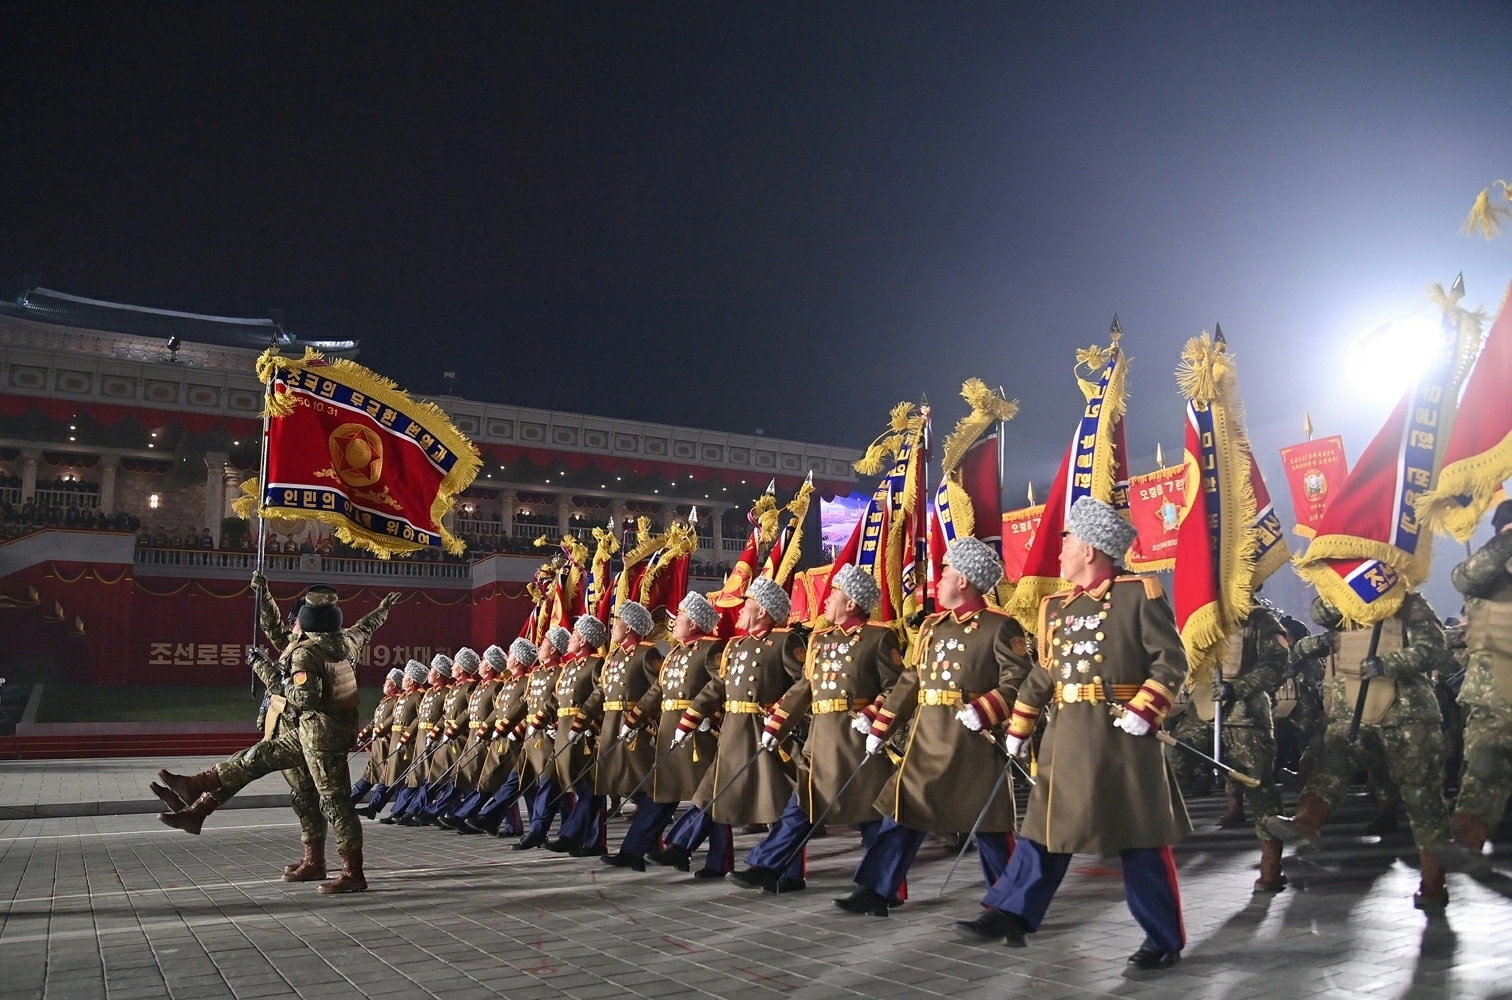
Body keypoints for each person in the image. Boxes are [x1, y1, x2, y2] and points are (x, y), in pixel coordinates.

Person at [954, 496, 1191, 971]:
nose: (1060, 552)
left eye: (1067, 543)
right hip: (1066, 738)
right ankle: (1011, 913)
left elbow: (1171, 661)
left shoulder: (1137, 594)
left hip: (1120, 739)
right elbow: (1045, 673)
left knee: (1139, 838)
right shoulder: (1056, 608)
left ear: (1090, 550)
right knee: (1045, 829)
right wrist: (1019, 725)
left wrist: (1147, 708)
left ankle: (1163, 938)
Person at [154, 581, 400, 893]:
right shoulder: (347, 640)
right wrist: (383, 609)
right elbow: (367, 625)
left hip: (318, 735)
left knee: (334, 802)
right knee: (266, 767)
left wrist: (270, 674)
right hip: (316, 731)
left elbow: (304, 697)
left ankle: (352, 873)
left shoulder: (305, 653)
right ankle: (197, 790)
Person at [837, 536, 1032, 916]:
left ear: (964, 580)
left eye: (945, 573)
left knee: (989, 826)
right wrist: (881, 726)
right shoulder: (931, 626)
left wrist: (986, 709)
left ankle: (1011, 905)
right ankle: (875, 890)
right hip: (927, 740)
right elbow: (910, 682)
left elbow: (1020, 680)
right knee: (903, 809)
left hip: (971, 743)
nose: (938, 581)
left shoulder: (999, 626)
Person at [1265, 590, 1453, 909]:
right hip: (1352, 709)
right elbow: (1320, 613)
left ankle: (1433, 883)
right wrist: (1344, 592)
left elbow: (1434, 648)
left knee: (1422, 797)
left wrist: (1389, 663)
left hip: (1408, 714)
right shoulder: (1343, 606)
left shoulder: (1409, 603)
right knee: (1329, 767)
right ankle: (1306, 822)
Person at [728, 564, 904, 894]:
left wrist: (874, 714)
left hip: (855, 742)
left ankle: (881, 891)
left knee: (871, 818)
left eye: (833, 595)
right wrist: (776, 725)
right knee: (800, 807)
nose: (826, 601)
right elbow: (804, 688)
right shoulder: (820, 640)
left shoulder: (879, 637)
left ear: (850, 602)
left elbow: (897, 687)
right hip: (819, 741)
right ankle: (767, 866)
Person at [652, 576, 806, 880]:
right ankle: (680, 847)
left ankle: (789, 874)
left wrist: (779, 713)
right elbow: (718, 686)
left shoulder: (784, 642)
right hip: (733, 732)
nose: (741, 611)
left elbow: (805, 683)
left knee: (775, 800)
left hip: (763, 731)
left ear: (762, 611)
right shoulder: (736, 645)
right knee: (710, 793)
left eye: (748, 605)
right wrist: (691, 717)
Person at [1168, 602, 1292, 891]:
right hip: (1201, 709)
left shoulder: (1259, 619)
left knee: (1259, 787)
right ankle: (1149, 850)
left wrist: (1238, 687)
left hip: (1245, 715)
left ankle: (1271, 866)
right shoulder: (1199, 614)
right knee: (1169, 770)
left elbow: (1277, 665)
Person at [605, 592, 728, 871]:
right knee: (659, 796)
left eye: (680, 616)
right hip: (670, 733)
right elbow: (658, 691)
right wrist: (633, 720)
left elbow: (721, 684)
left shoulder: (710, 649)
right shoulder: (674, 652)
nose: (674, 622)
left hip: (696, 735)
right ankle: (633, 852)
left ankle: (719, 861)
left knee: (709, 797)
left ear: (694, 624)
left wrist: (704, 714)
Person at [1430, 500, 1512, 874]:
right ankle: (1467, 841)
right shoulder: (1486, 575)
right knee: (1483, 768)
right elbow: (1464, 577)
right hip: (1494, 690)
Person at [576, 601, 663, 865]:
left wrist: (637, 719)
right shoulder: (613, 657)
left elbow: (659, 688)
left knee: (640, 786)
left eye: (617, 622)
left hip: (634, 730)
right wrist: (582, 720)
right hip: (611, 727)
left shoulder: (646, 653)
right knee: (616, 782)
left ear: (629, 628)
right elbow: (601, 692)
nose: (613, 627)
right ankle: (649, 844)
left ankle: (650, 845)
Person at [453, 640, 537, 835]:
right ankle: (515, 826)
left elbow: (527, 709)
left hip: (517, 739)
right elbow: (499, 711)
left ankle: (530, 828)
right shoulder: (510, 683)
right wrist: (488, 728)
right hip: (502, 737)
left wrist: (516, 731)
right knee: (507, 782)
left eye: (511, 654)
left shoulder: (526, 682)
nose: (508, 657)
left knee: (522, 784)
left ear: (518, 660)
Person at [548, 615, 610, 856]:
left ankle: (587, 839)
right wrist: (543, 719)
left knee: (590, 787)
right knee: (579, 787)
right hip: (565, 730)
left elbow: (600, 696)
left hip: (583, 733)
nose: (570, 639)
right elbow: (558, 698)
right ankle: (582, 838)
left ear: (583, 640)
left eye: (574, 635)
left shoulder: (595, 664)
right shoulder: (570, 667)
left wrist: (585, 724)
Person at [512, 626, 570, 849]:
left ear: (553, 649)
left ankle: (540, 832)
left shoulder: (561, 672)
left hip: (548, 736)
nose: (540, 646)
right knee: (536, 785)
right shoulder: (537, 674)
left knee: (550, 784)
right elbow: (527, 704)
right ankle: (566, 833)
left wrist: (556, 725)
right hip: (531, 736)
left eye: (544, 643)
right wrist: (512, 727)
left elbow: (564, 701)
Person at [360, 659, 429, 814]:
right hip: (396, 741)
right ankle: (375, 808)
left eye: (405, 677)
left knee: (399, 778)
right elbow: (393, 718)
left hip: (407, 743)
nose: (402, 680)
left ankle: (402, 811)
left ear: (411, 680)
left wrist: (407, 736)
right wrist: (379, 730)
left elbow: (421, 718)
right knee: (388, 776)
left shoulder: (419, 696)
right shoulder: (404, 697)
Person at [351, 668, 404, 803]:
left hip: (389, 745)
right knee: (370, 775)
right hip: (378, 746)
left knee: (392, 779)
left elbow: (393, 719)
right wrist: (364, 733)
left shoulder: (398, 701)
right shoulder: (385, 701)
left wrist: (380, 730)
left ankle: (401, 808)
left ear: (394, 684)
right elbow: (376, 721)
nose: (384, 684)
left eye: (387, 682)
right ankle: (351, 801)